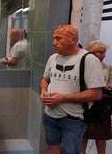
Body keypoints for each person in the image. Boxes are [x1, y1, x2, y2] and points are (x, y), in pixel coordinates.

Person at [39, 25, 106, 154]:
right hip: (50, 114)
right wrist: (43, 91)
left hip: (73, 118)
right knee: (52, 147)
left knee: (72, 151)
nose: (54, 42)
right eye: (54, 38)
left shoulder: (89, 60)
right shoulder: (53, 58)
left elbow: (96, 94)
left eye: (58, 38)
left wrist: (63, 98)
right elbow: (45, 80)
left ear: (72, 39)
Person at [81, 40, 112, 154]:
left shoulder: (107, 68)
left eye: (104, 52)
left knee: (102, 136)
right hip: (87, 105)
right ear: (92, 53)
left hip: (102, 107)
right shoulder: (82, 67)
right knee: (84, 134)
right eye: (101, 52)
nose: (104, 55)